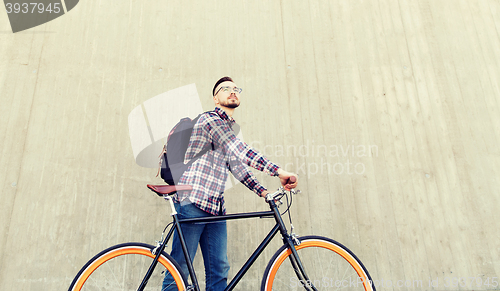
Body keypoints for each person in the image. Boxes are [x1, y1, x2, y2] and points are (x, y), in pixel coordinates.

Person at [162, 76, 298, 291]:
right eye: (225, 89)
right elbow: (240, 151)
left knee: (219, 270)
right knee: (179, 272)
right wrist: (278, 171)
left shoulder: (228, 129)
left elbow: (238, 167)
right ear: (216, 98)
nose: (232, 91)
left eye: (236, 89)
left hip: (216, 209)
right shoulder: (210, 120)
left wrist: (264, 192)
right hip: (192, 202)